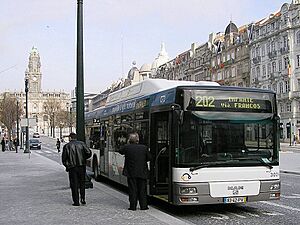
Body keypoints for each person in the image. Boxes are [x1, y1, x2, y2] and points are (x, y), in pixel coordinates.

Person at [119, 132, 152, 210]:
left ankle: (133, 206)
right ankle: (143, 206)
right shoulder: (144, 148)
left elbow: (120, 151)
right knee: (142, 190)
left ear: (129, 140)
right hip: (142, 172)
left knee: (132, 189)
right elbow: (150, 158)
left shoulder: (127, 147)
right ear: (138, 140)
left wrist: (127, 143)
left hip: (131, 172)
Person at [62, 133, 92, 206]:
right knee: (82, 183)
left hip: (72, 167)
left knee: (74, 184)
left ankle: (76, 201)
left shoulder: (67, 146)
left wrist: (67, 165)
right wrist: (83, 159)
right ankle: (83, 198)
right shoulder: (82, 144)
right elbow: (89, 153)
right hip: (81, 166)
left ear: (70, 138)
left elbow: (64, 159)